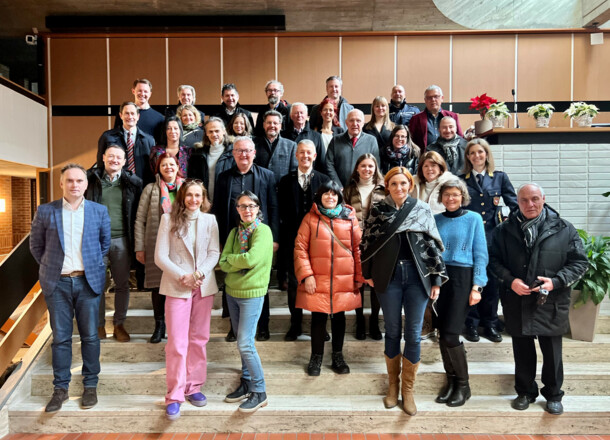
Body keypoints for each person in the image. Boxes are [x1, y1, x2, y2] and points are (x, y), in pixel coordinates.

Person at [489, 183, 587, 416]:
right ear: (517, 202)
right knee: (522, 349)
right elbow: (493, 261)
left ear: (543, 199)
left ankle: (553, 394)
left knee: (552, 352)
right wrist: (510, 280)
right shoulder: (504, 230)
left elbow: (579, 262)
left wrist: (556, 281)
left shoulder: (564, 229)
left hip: (550, 300)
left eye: (534, 199)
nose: (529, 204)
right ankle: (525, 392)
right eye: (524, 200)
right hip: (517, 298)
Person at [361, 166, 447, 416]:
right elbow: (366, 243)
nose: (399, 188)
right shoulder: (378, 210)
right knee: (392, 331)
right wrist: (367, 274)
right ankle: (392, 387)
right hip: (388, 277)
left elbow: (432, 245)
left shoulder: (421, 209)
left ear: (410, 185)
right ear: (387, 186)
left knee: (413, 333)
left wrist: (436, 281)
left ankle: (408, 392)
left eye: (403, 183)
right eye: (394, 184)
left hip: (418, 277)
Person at [30, 163, 111, 412]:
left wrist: (93, 267)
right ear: (61, 184)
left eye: (79, 181)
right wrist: (52, 268)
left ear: (86, 184)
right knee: (61, 338)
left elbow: (104, 245)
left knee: (89, 336)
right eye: (70, 181)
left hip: (88, 282)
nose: (75, 185)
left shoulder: (99, 211)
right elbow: (36, 246)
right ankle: (60, 389)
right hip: (58, 283)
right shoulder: (45, 211)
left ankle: (90, 386)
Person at [154, 180, 220, 420]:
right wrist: (182, 276)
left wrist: (199, 274)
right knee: (177, 343)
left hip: (203, 286)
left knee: (199, 339)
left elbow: (214, 253)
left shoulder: (210, 221)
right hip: (176, 285)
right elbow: (160, 256)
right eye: (189, 195)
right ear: (182, 197)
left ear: (203, 198)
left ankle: (194, 387)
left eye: (198, 196)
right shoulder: (168, 220)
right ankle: (174, 394)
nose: (193, 199)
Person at [294, 180, 363, 376]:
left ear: (339, 197)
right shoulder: (310, 218)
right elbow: (300, 248)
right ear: (320, 196)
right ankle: (316, 357)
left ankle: (338, 356)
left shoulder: (350, 218)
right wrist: (307, 275)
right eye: (326, 194)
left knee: (340, 317)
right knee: (318, 317)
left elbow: (358, 248)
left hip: (344, 277)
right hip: (319, 277)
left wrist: (359, 275)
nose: (330, 197)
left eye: (333, 194)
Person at [214, 137, 279, 342]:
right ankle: (234, 327)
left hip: (258, 235)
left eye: (247, 150)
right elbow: (217, 210)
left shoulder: (267, 176)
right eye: (239, 151)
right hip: (232, 234)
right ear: (233, 154)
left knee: (259, 281)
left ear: (254, 153)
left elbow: (273, 207)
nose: (243, 154)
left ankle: (263, 325)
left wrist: (274, 237)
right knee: (232, 279)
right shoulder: (223, 178)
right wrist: (220, 239)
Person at [433, 179, 488, 407]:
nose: (451, 199)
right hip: (440, 279)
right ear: (441, 198)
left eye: (455, 194)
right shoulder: (435, 220)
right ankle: (452, 382)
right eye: (446, 195)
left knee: (451, 335)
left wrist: (477, 286)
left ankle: (464, 386)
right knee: (442, 334)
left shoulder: (473, 219)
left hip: (463, 279)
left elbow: (481, 253)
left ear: (462, 196)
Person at [460, 138, 519, 343]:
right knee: (471, 281)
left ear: (486, 154)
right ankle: (471, 323)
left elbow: (513, 203)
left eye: (480, 152)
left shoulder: (499, 178)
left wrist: (519, 225)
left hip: (493, 237)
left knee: (492, 282)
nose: (477, 156)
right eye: (472, 153)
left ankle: (491, 323)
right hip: (470, 238)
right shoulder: (462, 179)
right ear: (467, 156)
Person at [220, 191, 273, 413]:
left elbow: (252, 259)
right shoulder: (234, 232)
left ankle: (260, 391)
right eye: (242, 206)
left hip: (252, 294)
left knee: (245, 343)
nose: (247, 210)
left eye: (251, 206)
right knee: (242, 344)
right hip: (232, 292)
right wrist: (235, 262)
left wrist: (234, 261)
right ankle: (247, 382)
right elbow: (223, 262)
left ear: (258, 208)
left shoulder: (263, 231)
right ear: (237, 209)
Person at [85, 145, 143, 343]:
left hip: (122, 240)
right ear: (103, 157)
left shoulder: (133, 183)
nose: (114, 160)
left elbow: (137, 213)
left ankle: (119, 324)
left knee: (122, 284)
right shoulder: (90, 180)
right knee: (97, 285)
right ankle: (99, 325)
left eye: (119, 157)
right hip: (96, 240)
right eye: (111, 156)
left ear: (125, 161)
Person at [278, 140, 331, 341]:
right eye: (301, 152)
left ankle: (320, 326)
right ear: (296, 155)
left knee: (320, 285)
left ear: (315, 156)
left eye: (309, 153)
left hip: (320, 242)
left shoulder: (325, 180)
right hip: (293, 241)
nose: (305, 156)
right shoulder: (285, 181)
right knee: (294, 284)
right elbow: (281, 212)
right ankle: (296, 324)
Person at [135, 153, 185, 343]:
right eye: (164, 165)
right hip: (157, 243)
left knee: (179, 283)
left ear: (177, 166)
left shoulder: (187, 187)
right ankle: (159, 325)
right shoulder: (150, 189)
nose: (168, 168)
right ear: (159, 168)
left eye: (171, 164)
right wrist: (140, 247)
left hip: (182, 245)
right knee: (157, 286)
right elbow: (140, 219)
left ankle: (177, 327)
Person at [342, 154, 385, 340]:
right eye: (363, 166)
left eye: (371, 166)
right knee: (358, 283)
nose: (367, 169)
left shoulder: (384, 189)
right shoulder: (349, 190)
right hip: (355, 242)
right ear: (357, 168)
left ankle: (374, 321)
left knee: (376, 286)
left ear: (375, 169)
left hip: (377, 244)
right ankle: (360, 321)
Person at [98, 101, 155, 185]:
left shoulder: (149, 140)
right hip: (116, 186)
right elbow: (100, 165)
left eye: (132, 113)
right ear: (121, 115)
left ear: (138, 116)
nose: (130, 116)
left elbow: (152, 169)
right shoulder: (107, 137)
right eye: (126, 113)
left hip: (141, 187)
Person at [326, 109, 380, 188]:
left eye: (358, 121)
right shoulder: (335, 140)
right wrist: (338, 186)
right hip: (340, 189)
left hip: (363, 189)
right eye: (351, 120)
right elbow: (329, 164)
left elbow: (376, 165)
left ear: (363, 123)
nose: (355, 124)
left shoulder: (371, 140)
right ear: (346, 123)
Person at [187, 117, 235, 201]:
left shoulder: (233, 153)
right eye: (210, 131)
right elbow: (192, 180)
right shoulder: (198, 154)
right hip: (203, 201)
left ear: (224, 131)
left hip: (225, 201)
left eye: (217, 131)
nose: (214, 134)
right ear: (206, 133)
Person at [253, 110, 298, 184]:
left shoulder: (291, 145)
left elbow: (293, 171)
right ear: (264, 125)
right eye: (269, 123)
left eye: (275, 123)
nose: (272, 126)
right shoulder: (253, 143)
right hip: (259, 187)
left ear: (280, 126)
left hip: (282, 189)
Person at [281, 102, 326, 173]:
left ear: (307, 116)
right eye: (296, 113)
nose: (299, 115)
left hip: (310, 176)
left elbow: (322, 162)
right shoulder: (283, 135)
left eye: (302, 113)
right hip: (288, 177)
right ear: (291, 116)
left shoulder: (316, 136)